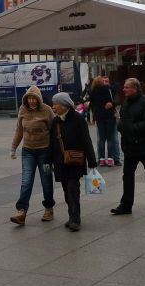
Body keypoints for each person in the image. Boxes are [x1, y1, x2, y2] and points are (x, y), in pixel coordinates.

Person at [111, 78, 145, 215]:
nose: (124, 89)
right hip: (130, 147)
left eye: (127, 87)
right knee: (127, 176)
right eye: (124, 87)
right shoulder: (126, 102)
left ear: (135, 88)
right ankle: (126, 205)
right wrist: (120, 126)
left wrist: (135, 128)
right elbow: (122, 119)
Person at [48, 91, 96, 232]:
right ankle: (71, 216)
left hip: (75, 160)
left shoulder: (78, 119)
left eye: (56, 104)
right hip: (61, 162)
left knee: (73, 189)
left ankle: (75, 219)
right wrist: (48, 161)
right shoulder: (55, 121)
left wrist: (92, 160)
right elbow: (52, 143)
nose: (53, 106)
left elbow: (86, 140)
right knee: (66, 190)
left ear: (64, 105)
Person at [10, 85, 55, 225]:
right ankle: (21, 211)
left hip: (45, 151)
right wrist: (13, 148)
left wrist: (54, 153)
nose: (31, 101)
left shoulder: (47, 110)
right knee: (26, 181)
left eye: (34, 98)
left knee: (46, 181)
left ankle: (49, 208)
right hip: (28, 150)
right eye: (29, 98)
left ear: (39, 99)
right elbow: (19, 130)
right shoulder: (22, 109)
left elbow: (54, 131)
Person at [88, 76, 120, 167]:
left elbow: (91, 104)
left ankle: (101, 159)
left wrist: (93, 117)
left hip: (99, 117)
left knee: (101, 139)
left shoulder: (93, 91)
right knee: (110, 138)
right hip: (109, 116)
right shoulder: (107, 89)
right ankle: (110, 159)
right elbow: (115, 90)